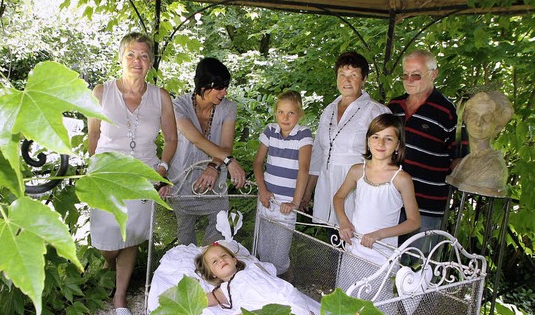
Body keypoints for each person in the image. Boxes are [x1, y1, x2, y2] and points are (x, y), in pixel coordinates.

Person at [88, 32, 178, 315]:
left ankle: (120, 297)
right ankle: (106, 260)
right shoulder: (102, 92)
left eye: (143, 56)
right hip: (108, 176)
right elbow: (93, 135)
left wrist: (162, 171)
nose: (136, 61)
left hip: (144, 177)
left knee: (131, 238)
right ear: (120, 58)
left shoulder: (160, 96)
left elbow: (172, 138)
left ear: (150, 63)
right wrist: (94, 170)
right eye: (131, 54)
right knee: (108, 241)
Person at [333, 114, 420, 297]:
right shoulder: (357, 171)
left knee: (374, 306)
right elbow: (339, 197)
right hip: (354, 249)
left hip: (382, 255)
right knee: (347, 299)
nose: (381, 143)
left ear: (397, 145)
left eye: (388, 139)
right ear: (368, 141)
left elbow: (413, 221)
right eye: (376, 137)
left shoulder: (401, 179)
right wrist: (344, 222)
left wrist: (379, 234)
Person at [387, 49, 468, 246]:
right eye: (405, 75)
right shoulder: (393, 106)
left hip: (426, 208)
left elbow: (460, 159)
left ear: (433, 74)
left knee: (419, 269)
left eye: (416, 74)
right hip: (389, 203)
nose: (409, 80)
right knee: (384, 264)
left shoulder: (449, 112)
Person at [303, 51, 390, 226]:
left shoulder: (376, 112)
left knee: (352, 242)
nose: (347, 80)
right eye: (342, 75)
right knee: (331, 242)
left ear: (364, 79)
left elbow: (387, 159)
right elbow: (319, 154)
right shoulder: (328, 111)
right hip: (326, 188)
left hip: (356, 190)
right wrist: (307, 193)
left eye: (353, 75)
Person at [167, 58, 246, 245]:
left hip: (215, 184)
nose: (224, 92)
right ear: (204, 86)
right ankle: (187, 273)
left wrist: (214, 166)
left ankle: (213, 272)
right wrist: (230, 161)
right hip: (182, 182)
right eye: (219, 87)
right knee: (185, 238)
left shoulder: (229, 108)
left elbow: (226, 146)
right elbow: (197, 139)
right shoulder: (178, 106)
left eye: (226, 87)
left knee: (218, 237)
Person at [253, 90, 312, 279]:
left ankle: (284, 288)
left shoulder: (303, 135)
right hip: (267, 199)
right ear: (275, 112)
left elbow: (303, 170)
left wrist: (295, 203)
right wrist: (262, 191)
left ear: (299, 113)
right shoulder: (270, 130)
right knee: (263, 249)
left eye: (291, 113)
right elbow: (257, 162)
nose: (285, 117)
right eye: (281, 112)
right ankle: (263, 291)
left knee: (279, 254)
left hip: (286, 203)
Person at [446, 91, 513, 197]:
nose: (478, 123)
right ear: (466, 118)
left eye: (486, 118)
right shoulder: (464, 161)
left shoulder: (494, 168)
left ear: (497, 126)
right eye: (473, 115)